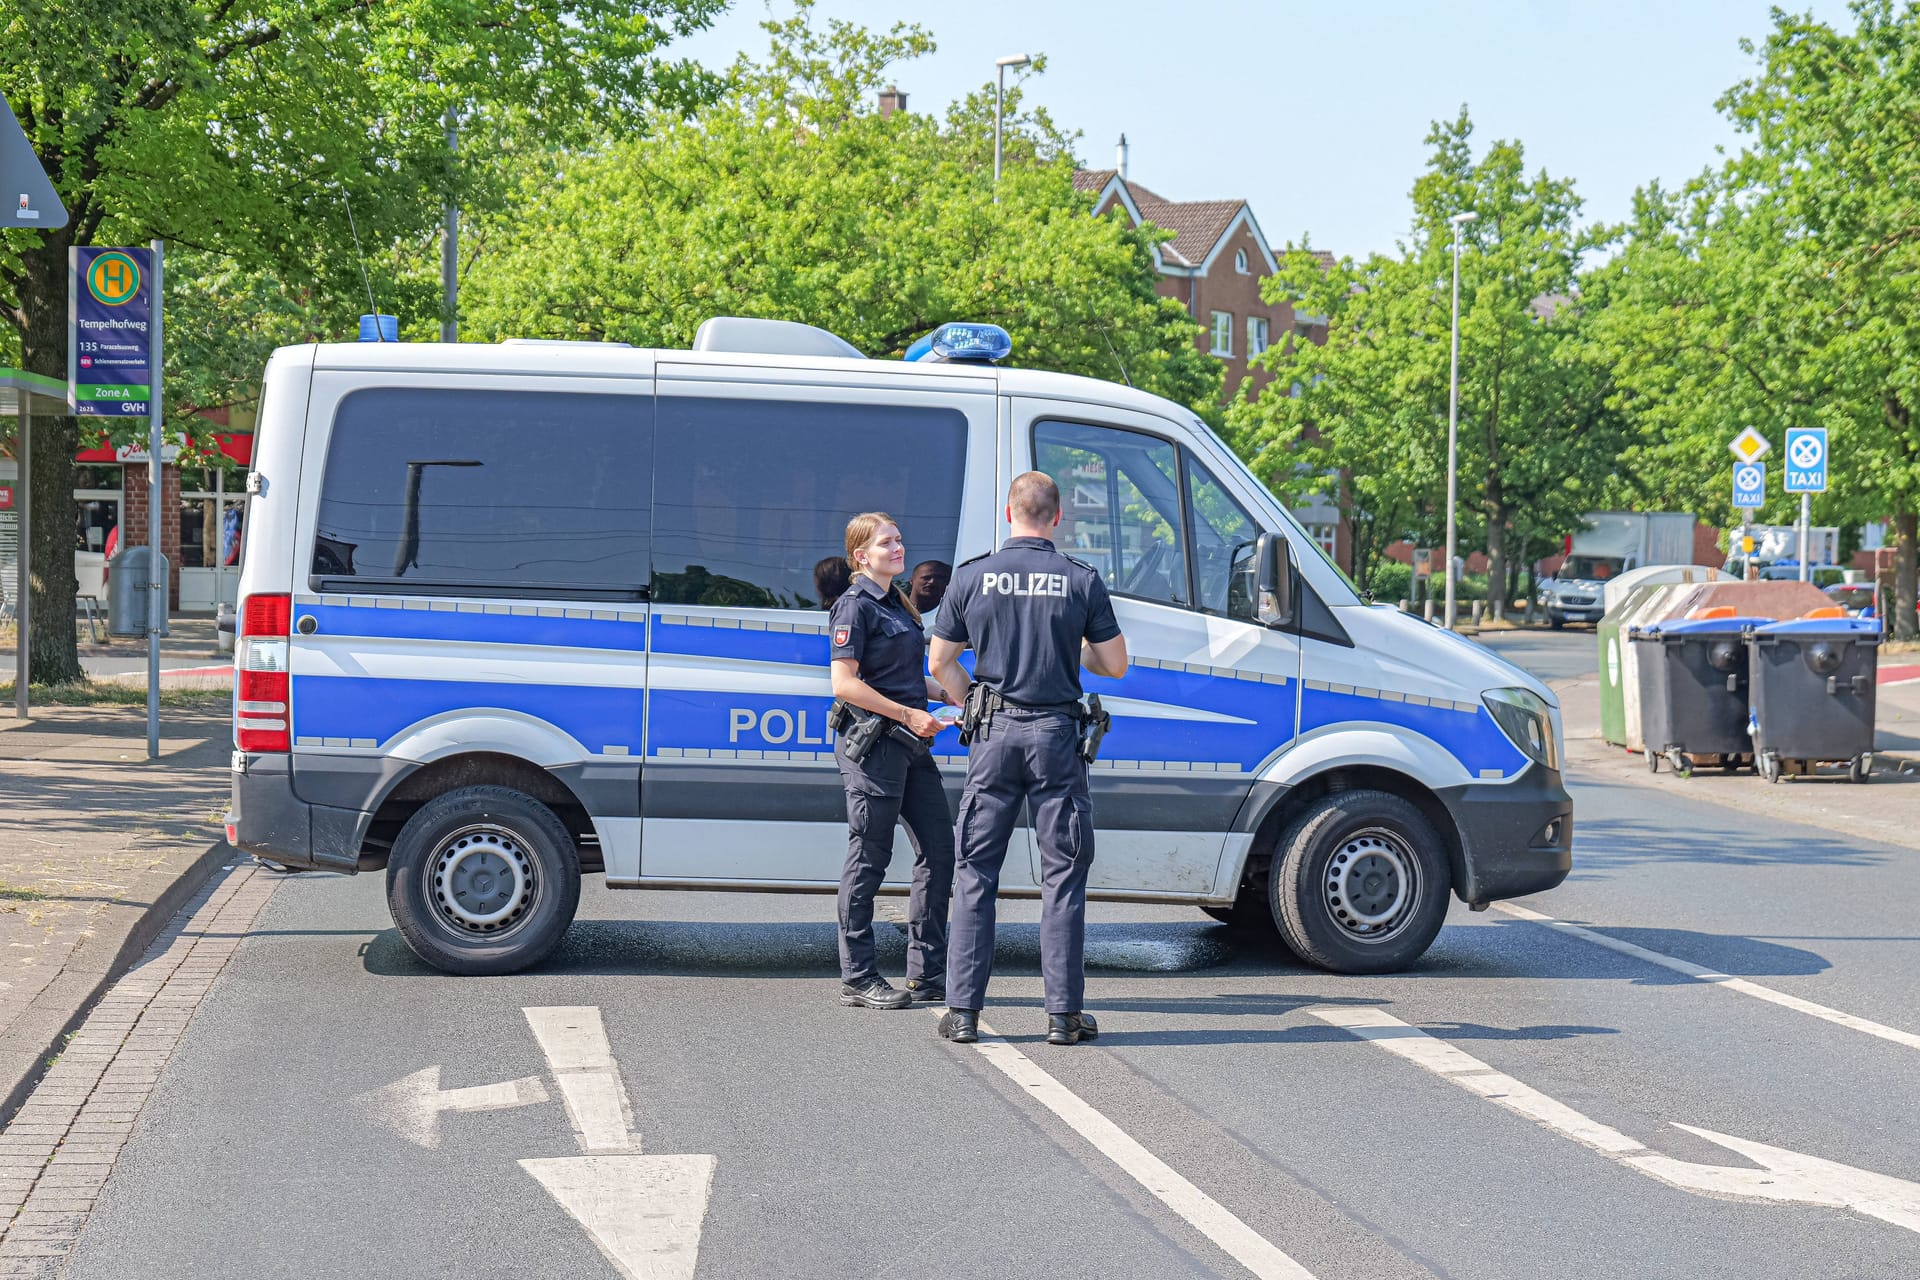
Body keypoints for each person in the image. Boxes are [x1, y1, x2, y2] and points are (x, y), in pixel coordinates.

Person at [927, 472, 1128, 1046]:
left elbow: (940, 661)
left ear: (1008, 512)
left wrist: (974, 702)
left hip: (992, 736)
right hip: (1056, 739)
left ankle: (963, 1014)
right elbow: (1113, 665)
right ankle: (1063, 1016)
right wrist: (1070, 643)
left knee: (975, 873)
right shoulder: (1080, 580)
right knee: (1063, 877)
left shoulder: (972, 576)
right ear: (1058, 517)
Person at [827, 513, 958, 1010]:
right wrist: (908, 714)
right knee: (869, 858)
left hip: (909, 744)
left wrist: (948, 697)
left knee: (939, 850)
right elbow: (845, 683)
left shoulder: (897, 604)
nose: (898, 547)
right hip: (875, 745)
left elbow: (901, 675)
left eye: (900, 539)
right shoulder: (854, 606)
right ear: (862, 555)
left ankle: (928, 972)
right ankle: (857, 977)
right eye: (887, 542)